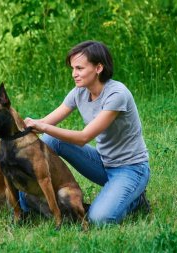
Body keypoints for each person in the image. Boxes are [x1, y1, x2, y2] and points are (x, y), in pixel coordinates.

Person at [23, 40, 150, 226]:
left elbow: (84, 137)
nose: (74, 74)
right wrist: (18, 127)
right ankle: (31, 201)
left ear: (98, 68)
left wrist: (42, 127)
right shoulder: (79, 92)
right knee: (50, 140)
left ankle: (136, 200)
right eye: (73, 68)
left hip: (131, 169)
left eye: (80, 68)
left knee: (100, 220)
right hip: (102, 162)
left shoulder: (117, 94)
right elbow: (45, 122)